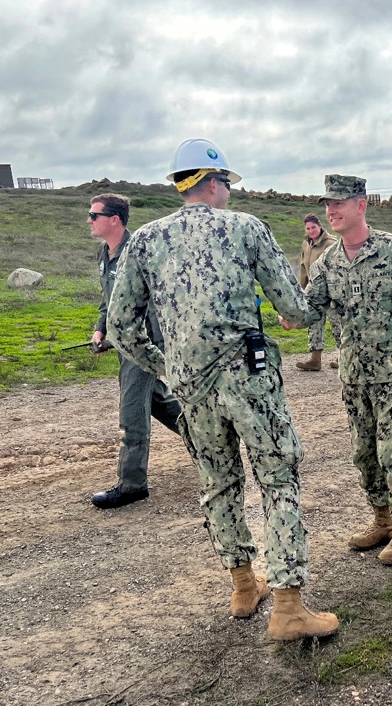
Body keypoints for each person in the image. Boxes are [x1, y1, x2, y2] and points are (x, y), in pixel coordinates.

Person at [106, 139, 338, 642]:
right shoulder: (246, 228)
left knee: (219, 484)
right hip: (248, 380)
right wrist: (300, 313)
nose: (229, 192)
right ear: (214, 183)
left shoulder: (144, 241)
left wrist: (167, 366)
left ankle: (241, 586)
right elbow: (295, 311)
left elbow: (120, 327)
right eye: (227, 183)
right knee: (277, 481)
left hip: (191, 388)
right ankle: (289, 607)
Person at [281, 175, 392, 567]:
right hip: (354, 376)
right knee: (364, 454)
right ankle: (382, 520)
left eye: (340, 202)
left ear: (361, 204)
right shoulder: (328, 262)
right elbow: (310, 308)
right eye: (327, 204)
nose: (331, 210)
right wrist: (289, 316)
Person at [87, 193, 183, 509]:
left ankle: (132, 484)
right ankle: (210, 441)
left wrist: (143, 340)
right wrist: (102, 328)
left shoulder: (138, 252)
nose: (89, 220)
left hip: (143, 343)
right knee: (158, 402)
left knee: (132, 411)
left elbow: (157, 300)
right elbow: (110, 300)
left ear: (114, 219)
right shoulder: (105, 254)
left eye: (94, 215)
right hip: (124, 341)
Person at [295, 213, 339, 371]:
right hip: (314, 292)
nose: (311, 230)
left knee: (338, 325)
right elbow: (304, 268)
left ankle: (345, 357)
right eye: (308, 228)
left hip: (332, 292)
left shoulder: (331, 244)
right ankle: (315, 360)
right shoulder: (306, 244)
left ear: (320, 226)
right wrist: (303, 290)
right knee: (314, 323)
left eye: (313, 227)